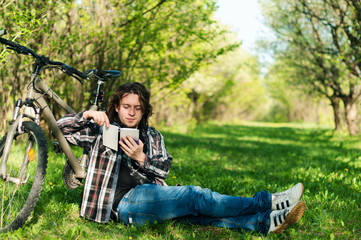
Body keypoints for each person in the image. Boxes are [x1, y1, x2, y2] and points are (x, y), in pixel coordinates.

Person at [57, 82, 306, 235]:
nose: (131, 112)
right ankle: (270, 201)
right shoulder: (100, 129)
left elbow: (164, 169)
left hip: (148, 195)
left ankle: (265, 222)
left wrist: (142, 158)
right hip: (122, 204)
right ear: (117, 107)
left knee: (196, 213)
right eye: (126, 106)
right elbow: (60, 129)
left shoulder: (152, 136)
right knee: (195, 196)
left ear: (144, 111)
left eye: (137, 108)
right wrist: (87, 114)